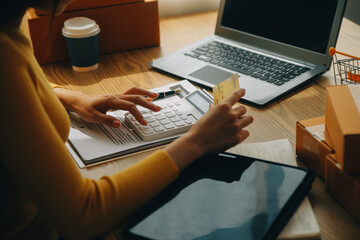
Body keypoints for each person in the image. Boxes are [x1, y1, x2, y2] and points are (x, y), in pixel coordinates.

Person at [0, 0, 253, 239]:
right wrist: (197, 142)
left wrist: (68, 97)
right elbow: (83, 214)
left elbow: (26, 82)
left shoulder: (12, 18)